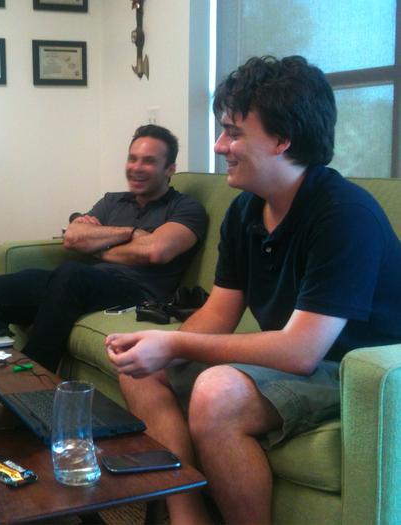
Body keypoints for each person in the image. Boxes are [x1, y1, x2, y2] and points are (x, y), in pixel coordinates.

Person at [106, 56, 401, 525]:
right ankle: (187, 516)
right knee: (140, 369)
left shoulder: (344, 215)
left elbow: (303, 351)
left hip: (359, 373)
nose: (221, 145)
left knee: (217, 391)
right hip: (305, 361)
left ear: (283, 139)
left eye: (234, 132)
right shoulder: (247, 210)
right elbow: (220, 311)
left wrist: (176, 342)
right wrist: (155, 348)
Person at [0, 124, 207, 372]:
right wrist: (130, 233)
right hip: (83, 284)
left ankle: (34, 377)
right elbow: (73, 237)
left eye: (148, 161)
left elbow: (156, 251)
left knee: (72, 273)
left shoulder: (186, 208)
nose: (136, 167)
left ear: (170, 169)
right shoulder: (111, 201)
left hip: (138, 294)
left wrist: (100, 247)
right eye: (132, 159)